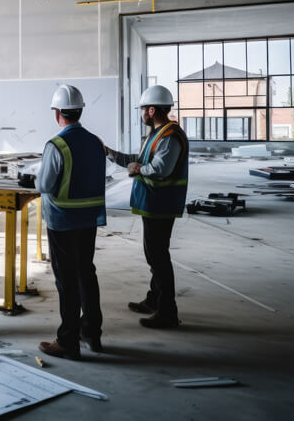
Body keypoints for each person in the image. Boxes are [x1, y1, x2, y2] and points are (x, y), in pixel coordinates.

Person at [105, 85, 189, 329]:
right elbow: (139, 160)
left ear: (151, 110)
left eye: (143, 109)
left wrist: (139, 169)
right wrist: (111, 154)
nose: (141, 114)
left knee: (158, 257)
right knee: (155, 255)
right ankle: (154, 300)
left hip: (161, 204)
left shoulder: (170, 135)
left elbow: (160, 169)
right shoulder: (157, 133)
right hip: (153, 203)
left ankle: (167, 312)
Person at [36, 85, 106, 360]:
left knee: (66, 280)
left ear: (58, 114)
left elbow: (44, 184)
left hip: (62, 220)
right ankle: (92, 332)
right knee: (86, 274)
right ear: (79, 111)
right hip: (88, 219)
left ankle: (68, 340)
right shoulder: (95, 142)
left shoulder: (57, 145)